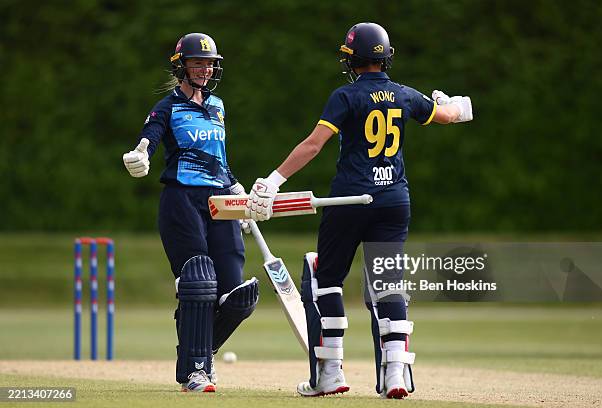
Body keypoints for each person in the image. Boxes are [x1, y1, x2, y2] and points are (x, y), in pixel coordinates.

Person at [245, 22, 473, 399]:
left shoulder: (346, 96)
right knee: (388, 284)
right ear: (386, 57)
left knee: (327, 280)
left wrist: (273, 180)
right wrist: (456, 105)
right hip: (394, 202)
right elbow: (451, 116)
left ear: (352, 60)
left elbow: (314, 145)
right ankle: (396, 373)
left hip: (350, 200)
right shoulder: (404, 94)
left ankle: (331, 372)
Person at [122, 32, 258, 393]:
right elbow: (151, 132)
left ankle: (195, 350)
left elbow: (220, 159)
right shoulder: (168, 106)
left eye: (210, 62)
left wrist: (237, 191)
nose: (205, 68)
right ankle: (196, 371)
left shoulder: (218, 106)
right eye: (197, 62)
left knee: (238, 295)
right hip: (182, 200)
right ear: (182, 65)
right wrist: (142, 153)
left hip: (220, 202)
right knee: (199, 279)